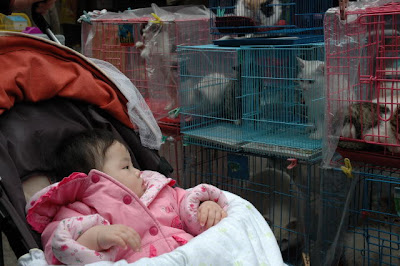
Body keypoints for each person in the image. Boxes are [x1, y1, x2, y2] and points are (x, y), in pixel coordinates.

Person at [26, 129, 228, 265]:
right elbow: (60, 246)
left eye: (132, 164)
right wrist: (97, 237)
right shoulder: (81, 210)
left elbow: (185, 200)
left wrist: (205, 205)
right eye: (126, 167)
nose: (137, 171)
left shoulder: (156, 188)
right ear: (96, 178)